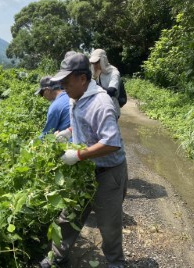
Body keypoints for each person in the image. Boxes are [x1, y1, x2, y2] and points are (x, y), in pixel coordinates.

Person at [40, 53, 128, 268]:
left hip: (108, 173)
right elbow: (83, 124)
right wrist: (68, 132)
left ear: (82, 78)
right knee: (68, 217)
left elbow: (112, 142)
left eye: (67, 82)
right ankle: (56, 257)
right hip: (85, 171)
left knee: (109, 226)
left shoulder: (100, 103)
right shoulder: (75, 98)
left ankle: (116, 263)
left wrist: (77, 155)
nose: (64, 86)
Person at [89, 49, 122, 118]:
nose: (94, 65)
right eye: (93, 63)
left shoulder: (114, 72)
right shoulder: (96, 73)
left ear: (103, 60)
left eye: (97, 62)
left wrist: (94, 84)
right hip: (98, 108)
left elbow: (111, 92)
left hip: (111, 109)